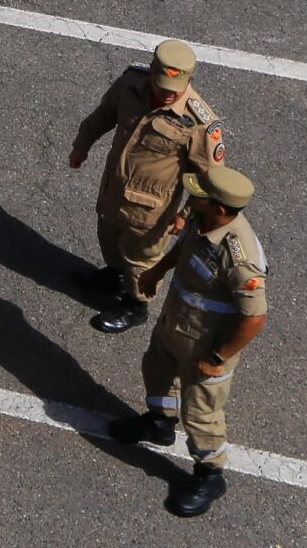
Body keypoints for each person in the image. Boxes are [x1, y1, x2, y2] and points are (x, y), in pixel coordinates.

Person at [108, 164, 268, 519]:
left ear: (221, 208)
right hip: (175, 326)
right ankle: (159, 423)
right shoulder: (203, 219)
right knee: (156, 371)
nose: (191, 198)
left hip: (205, 346)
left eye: (199, 196)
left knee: (201, 414)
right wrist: (157, 270)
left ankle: (209, 475)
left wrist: (217, 357)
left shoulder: (239, 256)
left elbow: (254, 318)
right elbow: (184, 249)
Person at [70, 40, 228, 333]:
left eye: (175, 89)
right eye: (162, 85)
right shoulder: (131, 84)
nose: (168, 94)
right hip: (114, 189)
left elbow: (209, 179)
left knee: (142, 258)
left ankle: (136, 304)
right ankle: (115, 275)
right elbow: (104, 114)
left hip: (152, 210)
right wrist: (82, 144)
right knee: (108, 237)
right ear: (152, 72)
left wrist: (186, 214)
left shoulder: (198, 122)